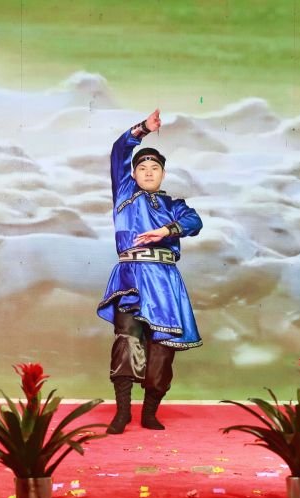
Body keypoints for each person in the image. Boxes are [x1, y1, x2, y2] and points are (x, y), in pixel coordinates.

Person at [97, 109, 203, 434]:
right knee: (126, 341)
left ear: (162, 174)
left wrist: (165, 231)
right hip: (132, 276)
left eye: (154, 168)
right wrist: (143, 128)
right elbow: (119, 150)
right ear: (132, 173)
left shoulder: (174, 206)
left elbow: (194, 221)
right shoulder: (124, 193)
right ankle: (122, 413)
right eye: (141, 168)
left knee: (163, 349)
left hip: (166, 281)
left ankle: (150, 413)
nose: (147, 172)